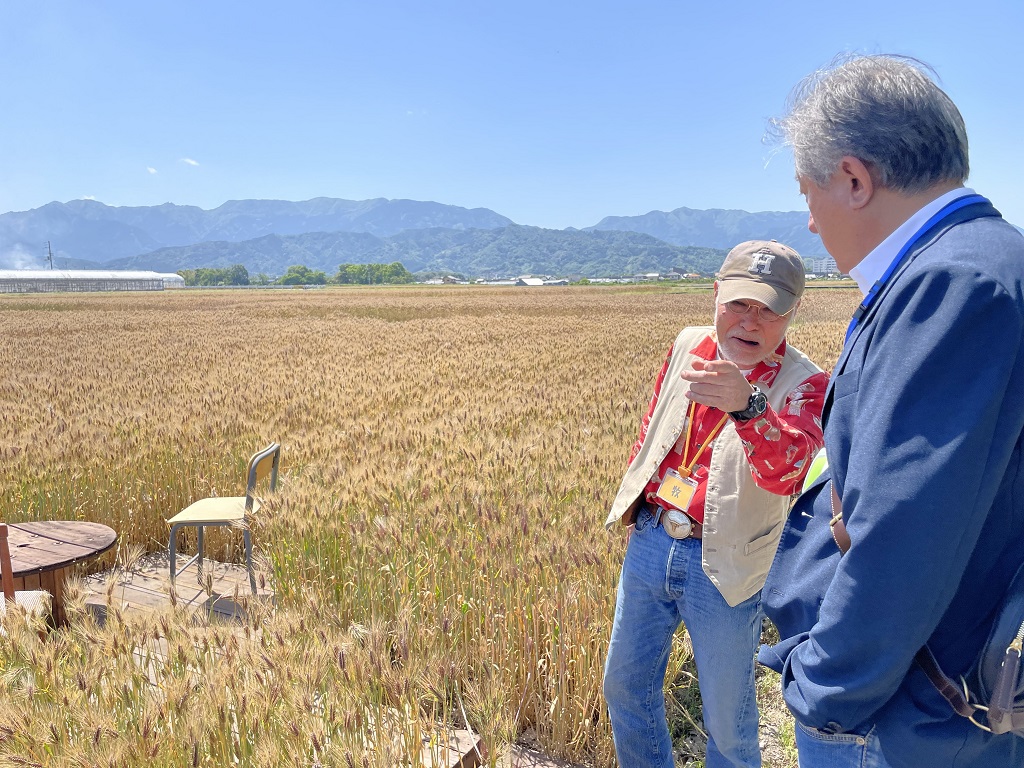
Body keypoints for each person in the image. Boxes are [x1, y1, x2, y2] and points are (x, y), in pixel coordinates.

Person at [759, 54, 1024, 767]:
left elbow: (907, 527)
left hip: (910, 714)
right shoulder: (984, 260)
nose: (810, 224)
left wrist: (826, 694)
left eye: (807, 193)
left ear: (853, 178)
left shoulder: (953, 282)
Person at [602, 240, 829, 768]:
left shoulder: (806, 384)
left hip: (728, 564)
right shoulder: (688, 345)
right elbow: (654, 428)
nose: (751, 322)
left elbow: (789, 475)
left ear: (794, 311)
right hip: (654, 538)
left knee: (727, 721)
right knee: (624, 688)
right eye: (740, 304)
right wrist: (639, 508)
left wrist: (748, 408)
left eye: (769, 309)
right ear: (717, 295)